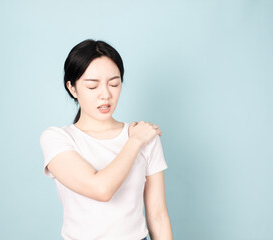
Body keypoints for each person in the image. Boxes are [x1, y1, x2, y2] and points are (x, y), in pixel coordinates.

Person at [39, 39, 173, 240]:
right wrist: (134, 142)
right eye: (92, 86)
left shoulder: (145, 136)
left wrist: (138, 138)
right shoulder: (57, 138)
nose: (106, 95)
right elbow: (101, 189)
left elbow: (158, 216)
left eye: (114, 84)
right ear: (72, 88)